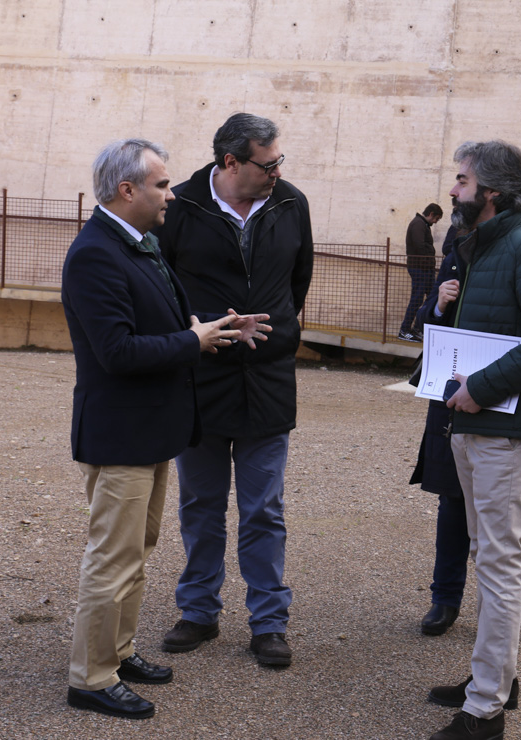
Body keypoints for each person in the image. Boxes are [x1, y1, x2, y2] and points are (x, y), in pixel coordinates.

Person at [61, 138, 269, 720]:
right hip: (121, 433)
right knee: (114, 556)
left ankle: (118, 653)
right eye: (160, 185)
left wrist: (214, 327)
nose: (171, 195)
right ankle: (91, 677)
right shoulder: (96, 253)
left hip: (150, 430)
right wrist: (191, 342)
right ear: (126, 191)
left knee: (138, 548)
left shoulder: (139, 243)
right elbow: (116, 351)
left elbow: (160, 322)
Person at [423, 140, 521, 740]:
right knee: (487, 558)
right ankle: (494, 678)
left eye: (461, 180)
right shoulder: (482, 247)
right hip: (477, 425)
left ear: (491, 191)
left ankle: (485, 711)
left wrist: (481, 389)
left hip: (507, 432)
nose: (454, 190)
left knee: (499, 563)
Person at [154, 112, 313, 668]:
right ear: (230, 162)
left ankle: (269, 622)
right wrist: (196, 333)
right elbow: (159, 284)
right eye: (267, 164)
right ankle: (198, 612)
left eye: (278, 163)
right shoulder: (181, 206)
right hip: (199, 379)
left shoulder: (292, 204)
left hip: (268, 381)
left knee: (264, 509)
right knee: (199, 504)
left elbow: (298, 284)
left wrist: (278, 336)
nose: (277, 173)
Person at [409, 249, 469, 637]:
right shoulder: (455, 257)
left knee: (502, 518)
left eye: (463, 181)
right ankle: (444, 599)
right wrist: (439, 304)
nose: (454, 190)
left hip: (503, 402)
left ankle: (499, 613)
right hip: (451, 401)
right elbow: (423, 323)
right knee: (452, 503)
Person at [398, 203, 443, 341]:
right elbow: (420, 247)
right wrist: (430, 256)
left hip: (425, 268)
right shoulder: (418, 224)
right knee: (417, 299)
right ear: (431, 214)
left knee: (431, 298)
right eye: (436, 219)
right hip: (419, 268)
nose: (435, 222)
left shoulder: (422, 225)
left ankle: (418, 328)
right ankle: (404, 330)